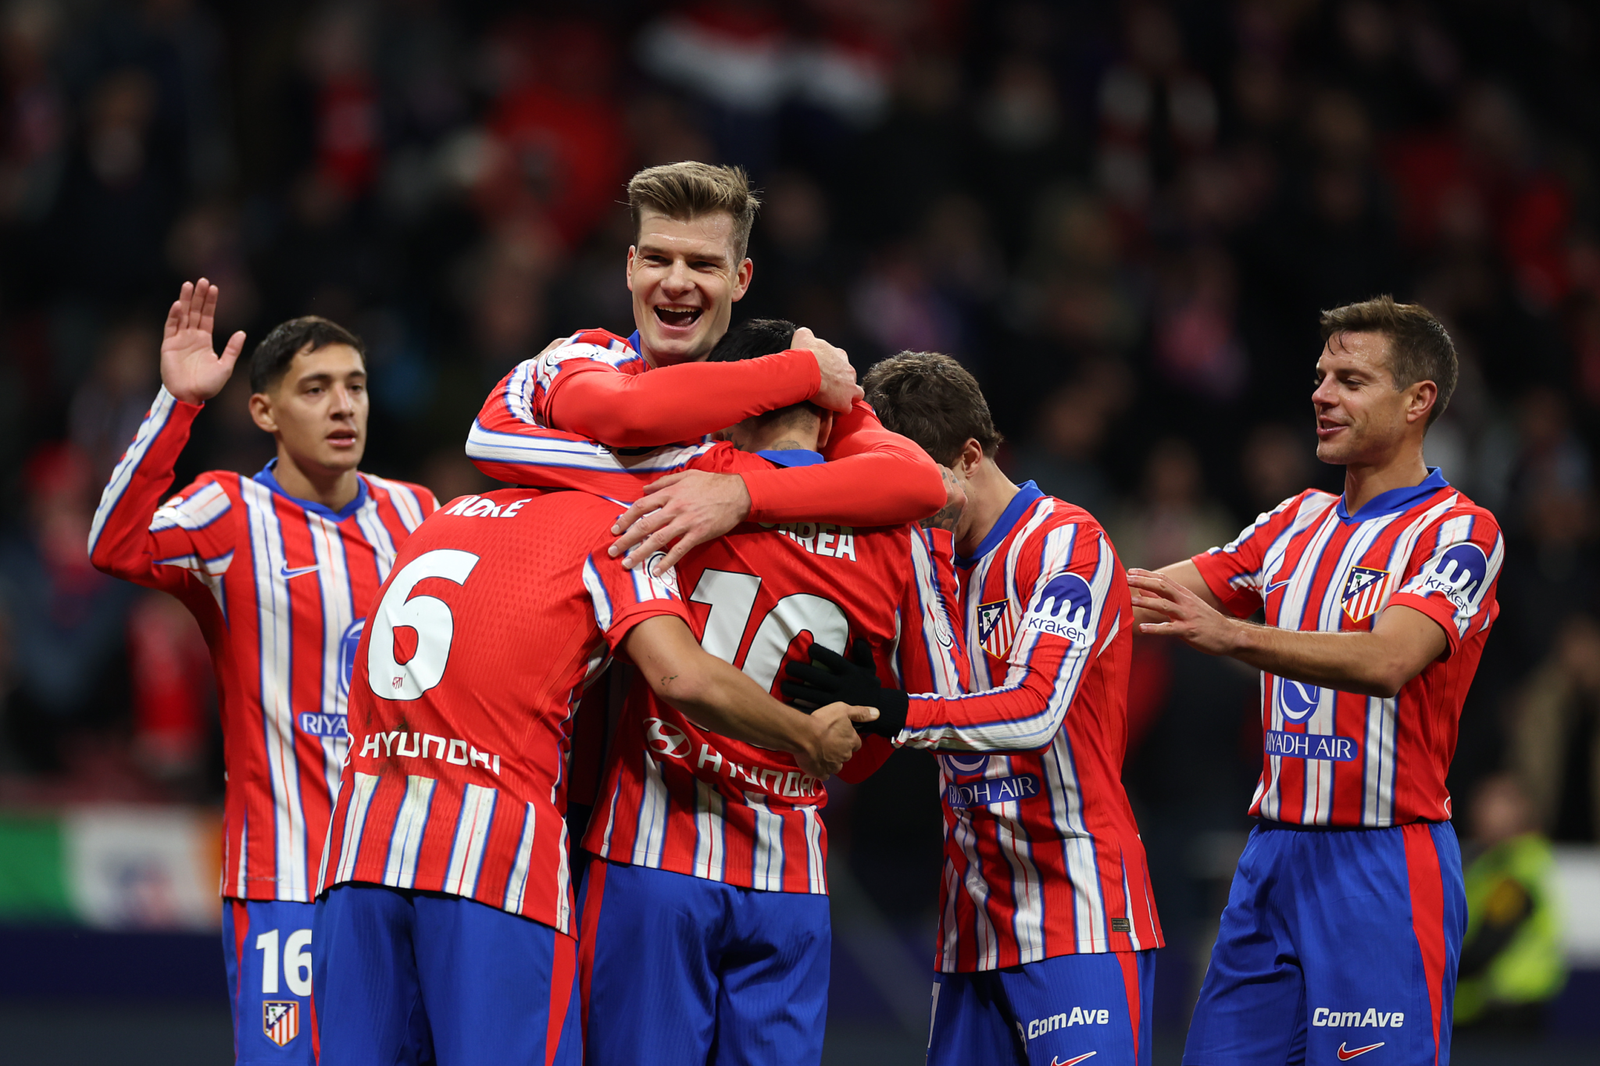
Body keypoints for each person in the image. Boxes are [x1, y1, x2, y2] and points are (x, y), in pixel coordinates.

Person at [314, 484, 872, 1065]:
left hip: (360, 844)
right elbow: (683, 678)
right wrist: (805, 734)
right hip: (492, 856)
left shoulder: (447, 513)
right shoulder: (617, 527)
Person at [574, 320, 968, 1066]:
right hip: (789, 874)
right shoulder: (899, 526)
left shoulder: (675, 482)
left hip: (657, 849)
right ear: (827, 410)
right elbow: (899, 727)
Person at [1126, 296, 1502, 1066]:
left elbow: (1390, 660)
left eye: (1352, 380)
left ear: (1418, 400)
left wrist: (1232, 634)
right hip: (1270, 859)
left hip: (1384, 865)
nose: (1322, 395)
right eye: (1323, 376)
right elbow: (1131, 596)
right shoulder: (1291, 521)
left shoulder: (1461, 532)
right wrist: (1001, 551)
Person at [88, 279, 437, 1063]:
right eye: (315, 389)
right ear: (265, 412)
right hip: (285, 876)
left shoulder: (418, 514)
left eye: (355, 385)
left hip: (400, 875)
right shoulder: (227, 511)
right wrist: (178, 406)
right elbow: (112, 547)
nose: (344, 406)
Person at [788, 351, 1162, 1066]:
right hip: (970, 929)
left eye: (910, 480)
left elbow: (1034, 713)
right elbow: (875, 754)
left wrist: (893, 709)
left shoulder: (1065, 543)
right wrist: (850, 712)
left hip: (1077, 913)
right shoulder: (917, 560)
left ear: (968, 457)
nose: (896, 500)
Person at [463, 160, 947, 573]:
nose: (676, 282)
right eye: (657, 259)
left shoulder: (788, 386)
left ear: (740, 278)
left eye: (702, 264)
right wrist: (804, 373)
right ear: (630, 268)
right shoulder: (580, 358)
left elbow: (917, 481)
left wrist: (741, 494)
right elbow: (630, 415)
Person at [1454, 773, 1566, 1032]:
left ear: (1521, 811)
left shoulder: (1518, 872)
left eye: (1496, 803)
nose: (1481, 811)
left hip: (1507, 1016)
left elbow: (1484, 948)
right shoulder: (1485, 864)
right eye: (1480, 801)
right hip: (1476, 1012)